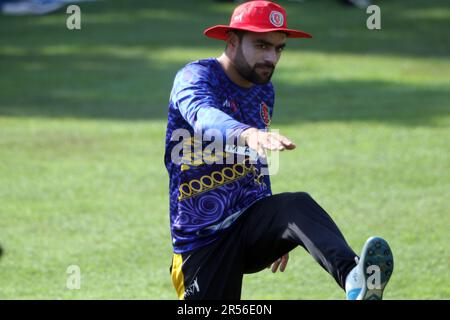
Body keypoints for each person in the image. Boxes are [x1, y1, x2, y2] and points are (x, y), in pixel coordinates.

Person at [164, 0, 393, 300]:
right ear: (232, 41)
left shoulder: (263, 90)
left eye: (279, 48)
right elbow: (204, 116)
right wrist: (245, 133)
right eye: (261, 45)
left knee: (296, 206)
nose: (271, 57)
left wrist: (277, 228)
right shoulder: (195, 78)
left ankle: (354, 278)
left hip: (248, 226)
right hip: (203, 241)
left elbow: (256, 161)